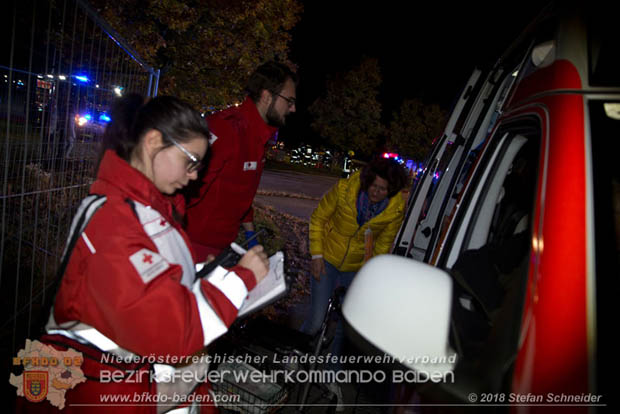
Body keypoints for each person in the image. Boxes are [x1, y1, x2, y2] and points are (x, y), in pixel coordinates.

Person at [17, 94, 269, 413]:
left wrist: (198, 271)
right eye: (191, 161)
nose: (195, 175)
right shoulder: (114, 222)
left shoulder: (150, 207)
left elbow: (150, 278)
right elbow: (172, 331)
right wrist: (241, 279)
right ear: (153, 142)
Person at [303, 158, 407, 408]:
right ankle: (299, 352)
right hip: (327, 258)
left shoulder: (394, 209)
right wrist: (316, 255)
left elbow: (383, 245)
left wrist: (371, 275)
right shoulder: (344, 191)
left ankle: (333, 368)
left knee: (346, 324)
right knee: (317, 319)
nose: (376, 192)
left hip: (356, 268)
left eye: (383, 189)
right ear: (367, 181)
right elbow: (317, 219)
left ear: (391, 190)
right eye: (374, 186)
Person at [185, 61, 298, 261]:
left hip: (220, 247)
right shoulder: (226, 129)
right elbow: (185, 188)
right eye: (288, 101)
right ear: (266, 96)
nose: (293, 109)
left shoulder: (258, 138)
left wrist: (250, 233)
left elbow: (239, 192)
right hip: (193, 247)